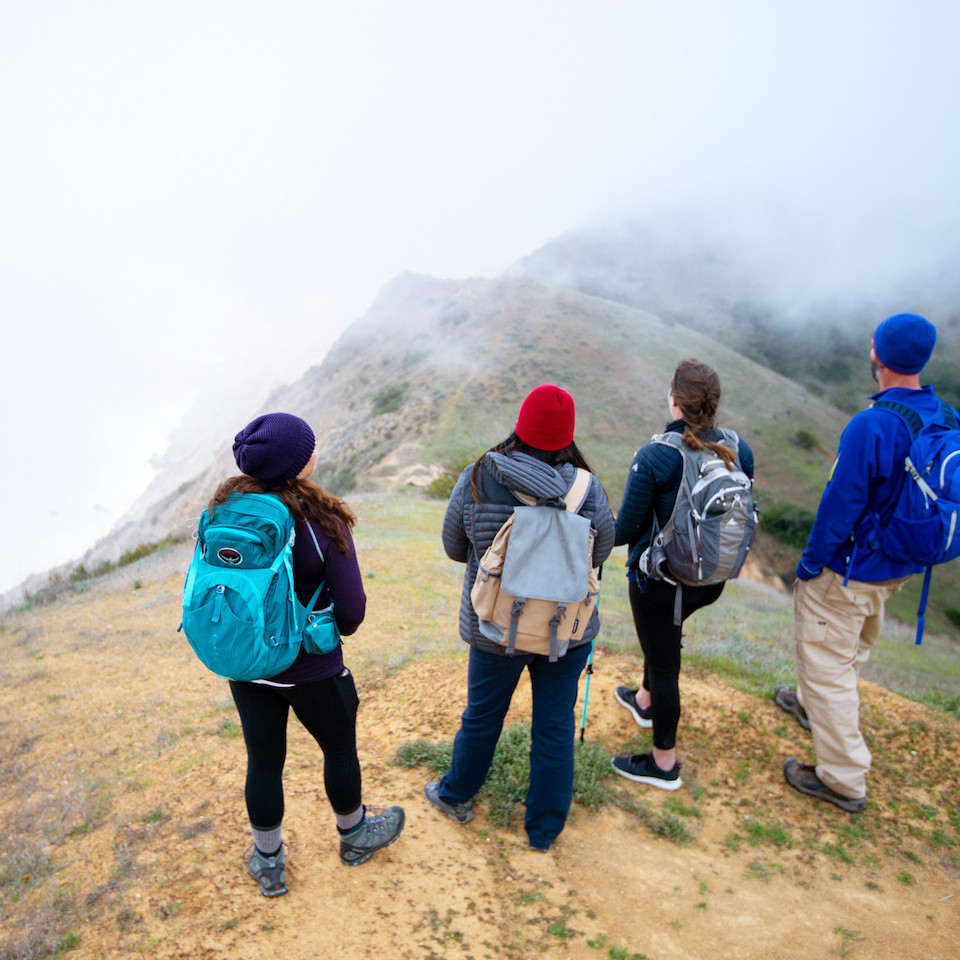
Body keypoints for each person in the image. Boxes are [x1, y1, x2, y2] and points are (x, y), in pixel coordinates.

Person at [215, 413, 404, 896]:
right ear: (298, 463)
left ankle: (268, 861)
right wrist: (329, 630)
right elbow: (353, 610)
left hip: (248, 665)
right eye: (310, 445)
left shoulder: (227, 510)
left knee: (263, 761)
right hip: (313, 669)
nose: (316, 448)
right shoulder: (323, 521)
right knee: (339, 750)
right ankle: (355, 835)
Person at [776, 313, 956, 813]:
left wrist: (810, 567)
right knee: (849, 645)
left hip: (849, 570)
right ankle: (812, 705)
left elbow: (840, 505)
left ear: (876, 355)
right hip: (898, 565)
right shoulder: (942, 415)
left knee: (827, 659)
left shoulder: (872, 425)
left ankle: (844, 778)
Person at [425, 385, 615, 850]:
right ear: (568, 436)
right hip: (564, 633)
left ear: (520, 425)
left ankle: (456, 796)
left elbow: (454, 547)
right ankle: (543, 832)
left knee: (483, 716)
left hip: (495, 628)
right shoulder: (587, 490)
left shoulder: (477, 477)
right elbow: (603, 551)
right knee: (554, 726)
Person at [611, 359, 754, 790]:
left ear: (673, 399)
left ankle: (663, 763)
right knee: (663, 641)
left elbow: (625, 532)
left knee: (664, 657)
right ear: (713, 404)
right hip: (709, 580)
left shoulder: (656, 455)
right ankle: (644, 699)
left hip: (663, 581)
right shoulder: (738, 448)